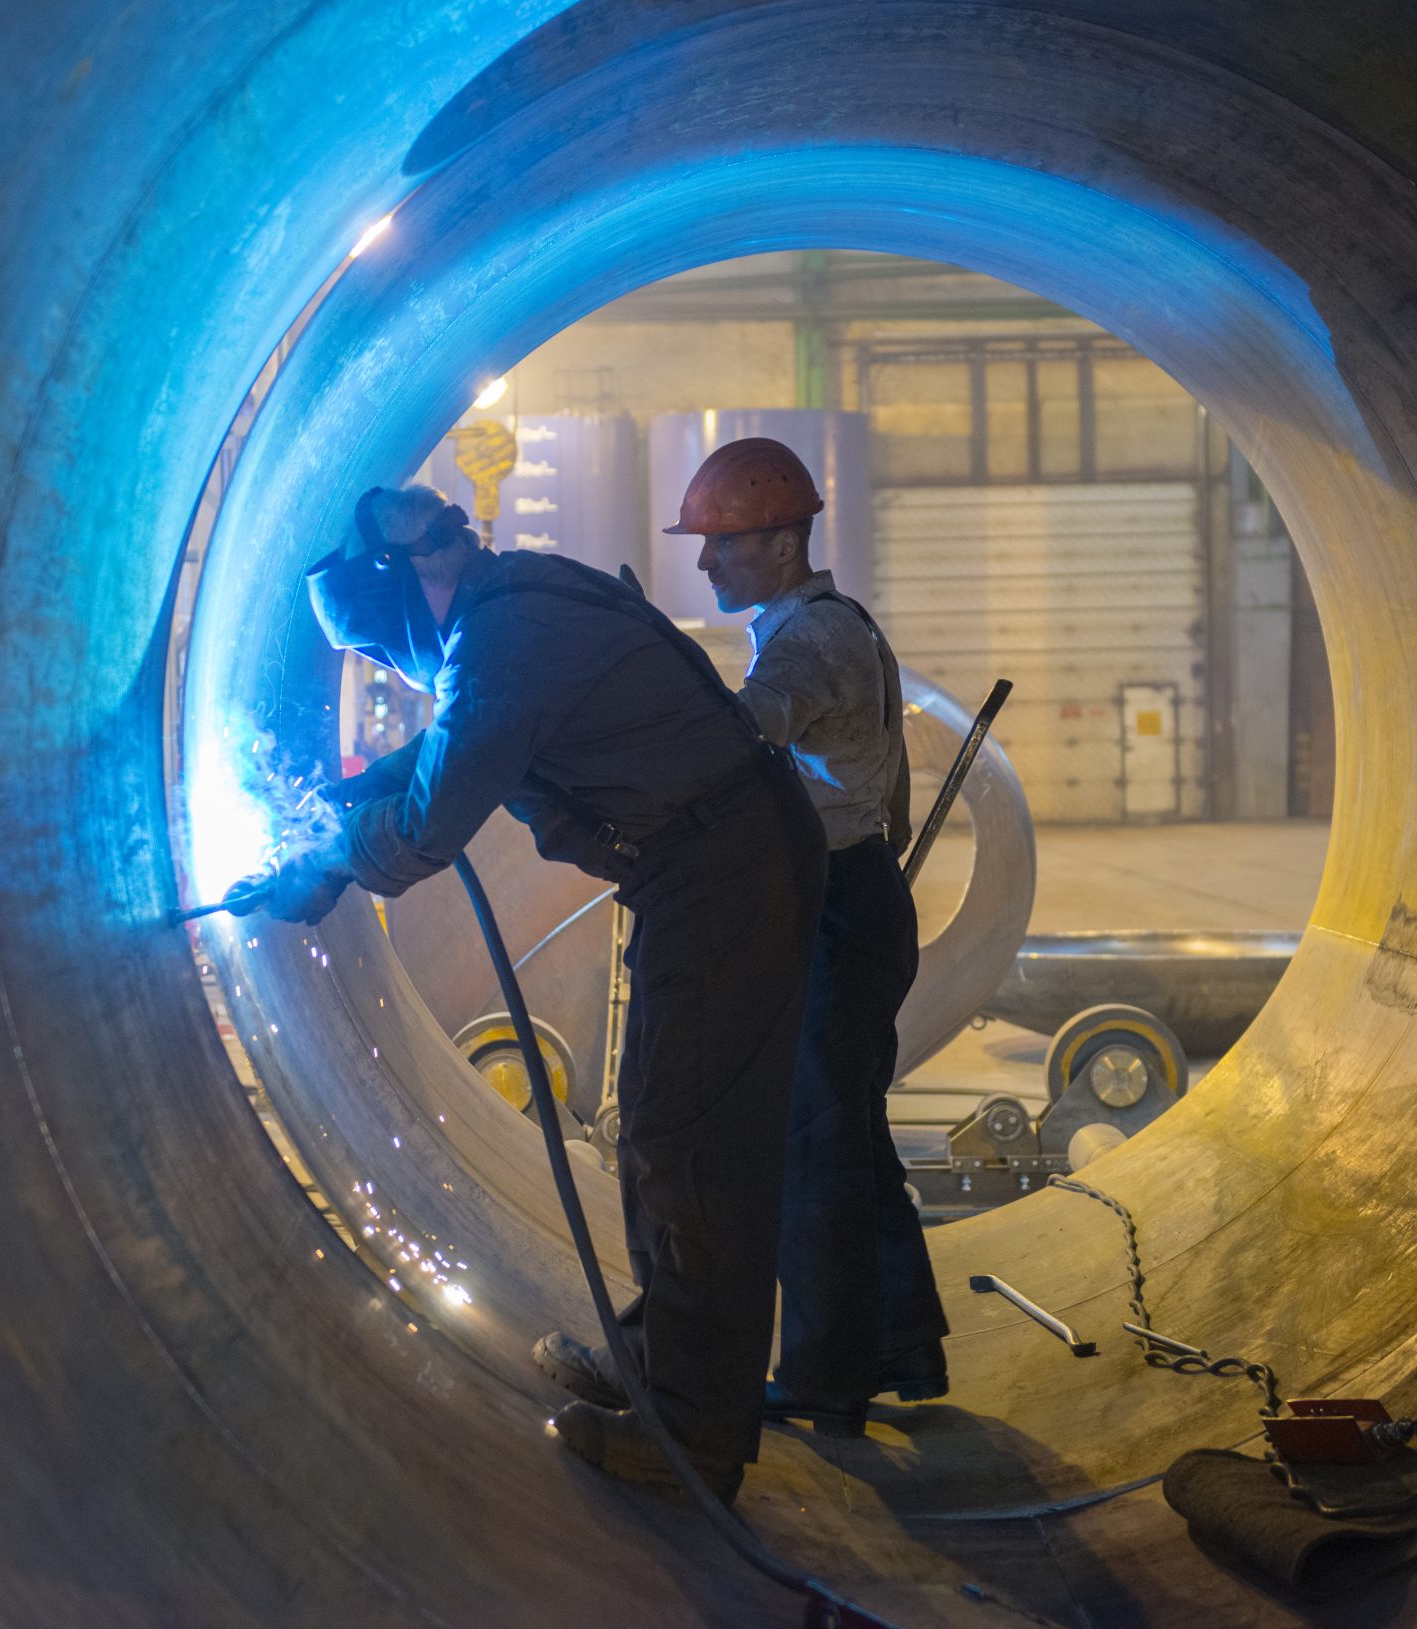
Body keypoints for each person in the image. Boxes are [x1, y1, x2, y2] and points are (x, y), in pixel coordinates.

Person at [231, 484, 825, 1502]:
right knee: (655, 1126)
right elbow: (465, 733)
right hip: (713, 869)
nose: (388, 667)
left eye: (382, 648)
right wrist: (362, 794)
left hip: (726, 876)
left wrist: (334, 855)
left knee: (691, 1146)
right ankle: (658, 1366)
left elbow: (434, 816)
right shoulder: (512, 600)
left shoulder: (497, 635)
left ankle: (693, 1438)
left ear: (414, 586)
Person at [666, 437, 950, 1433]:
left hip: (837, 903)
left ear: (783, 543)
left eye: (724, 546)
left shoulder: (807, 642)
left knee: (812, 1146)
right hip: (852, 894)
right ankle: (903, 1342)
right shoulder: (819, 624)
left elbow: (736, 739)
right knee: (850, 1137)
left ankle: (827, 1374)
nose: (706, 565)